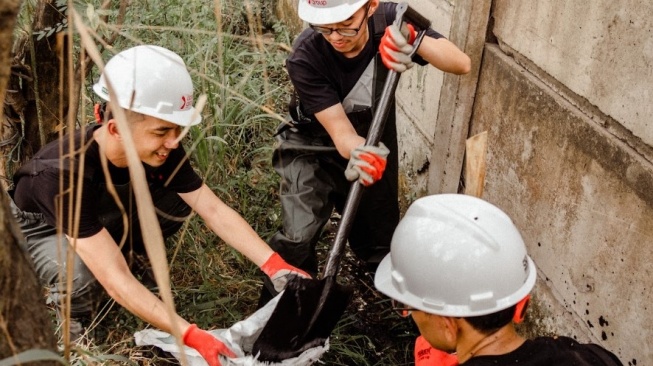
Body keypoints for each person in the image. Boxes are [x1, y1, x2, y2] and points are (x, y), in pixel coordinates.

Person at [8, 45, 309, 366]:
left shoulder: (161, 145)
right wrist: (189, 334)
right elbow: (115, 279)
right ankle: (68, 312)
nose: (173, 141)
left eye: (177, 129)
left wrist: (274, 264)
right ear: (115, 129)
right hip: (38, 231)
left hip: (95, 213)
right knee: (82, 274)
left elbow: (213, 210)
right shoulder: (60, 175)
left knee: (176, 202)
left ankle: (124, 251)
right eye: (162, 131)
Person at [259, 0, 472, 305]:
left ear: (370, 6)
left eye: (345, 24)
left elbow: (461, 64)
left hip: (372, 134)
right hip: (312, 146)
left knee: (380, 237)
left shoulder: (392, 19)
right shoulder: (305, 55)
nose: (335, 36)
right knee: (297, 235)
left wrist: (414, 40)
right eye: (324, 27)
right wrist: (358, 152)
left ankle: (397, 307)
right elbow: (341, 133)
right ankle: (282, 313)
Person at [374, 194, 623, 365]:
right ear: (520, 305)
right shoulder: (592, 356)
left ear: (448, 325)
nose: (408, 315)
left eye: (407, 307)